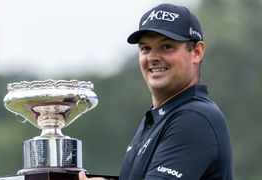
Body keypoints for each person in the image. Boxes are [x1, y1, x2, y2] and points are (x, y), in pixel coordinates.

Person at [79, 3, 233, 180]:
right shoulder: (158, 118)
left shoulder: (194, 118)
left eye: (167, 46)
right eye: (145, 48)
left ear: (197, 52)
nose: (152, 57)